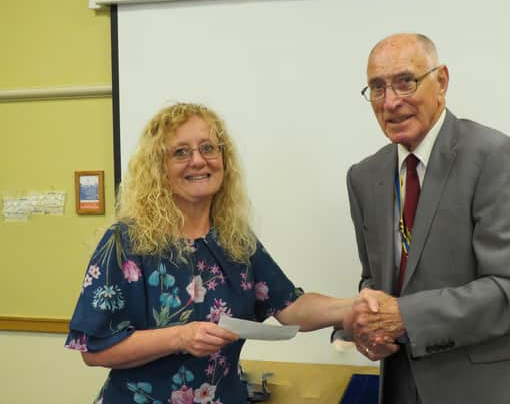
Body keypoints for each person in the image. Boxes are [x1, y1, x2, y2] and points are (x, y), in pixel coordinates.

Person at [65, 102, 370, 404]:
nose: (198, 160)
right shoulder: (125, 242)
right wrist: (180, 337)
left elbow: (291, 307)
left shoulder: (234, 241)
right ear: (158, 168)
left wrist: (355, 306)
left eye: (208, 148)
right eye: (181, 152)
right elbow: (94, 350)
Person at [341, 33, 510, 404]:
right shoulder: (364, 176)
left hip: (486, 391)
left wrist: (406, 317)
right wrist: (366, 324)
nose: (391, 102)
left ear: (442, 81)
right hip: (400, 388)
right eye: (377, 87)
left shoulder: (492, 156)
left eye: (405, 81)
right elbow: (374, 277)